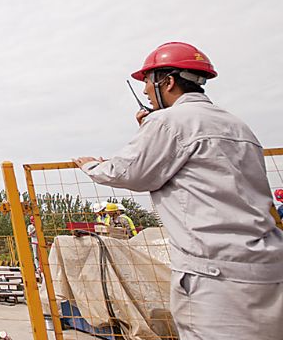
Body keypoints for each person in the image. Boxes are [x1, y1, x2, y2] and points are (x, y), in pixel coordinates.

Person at [73, 42, 283, 339]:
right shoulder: (237, 125)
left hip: (215, 274)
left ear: (167, 82)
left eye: (148, 85)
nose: (146, 93)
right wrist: (150, 129)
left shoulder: (169, 122)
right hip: (269, 266)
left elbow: (131, 172)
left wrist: (90, 166)